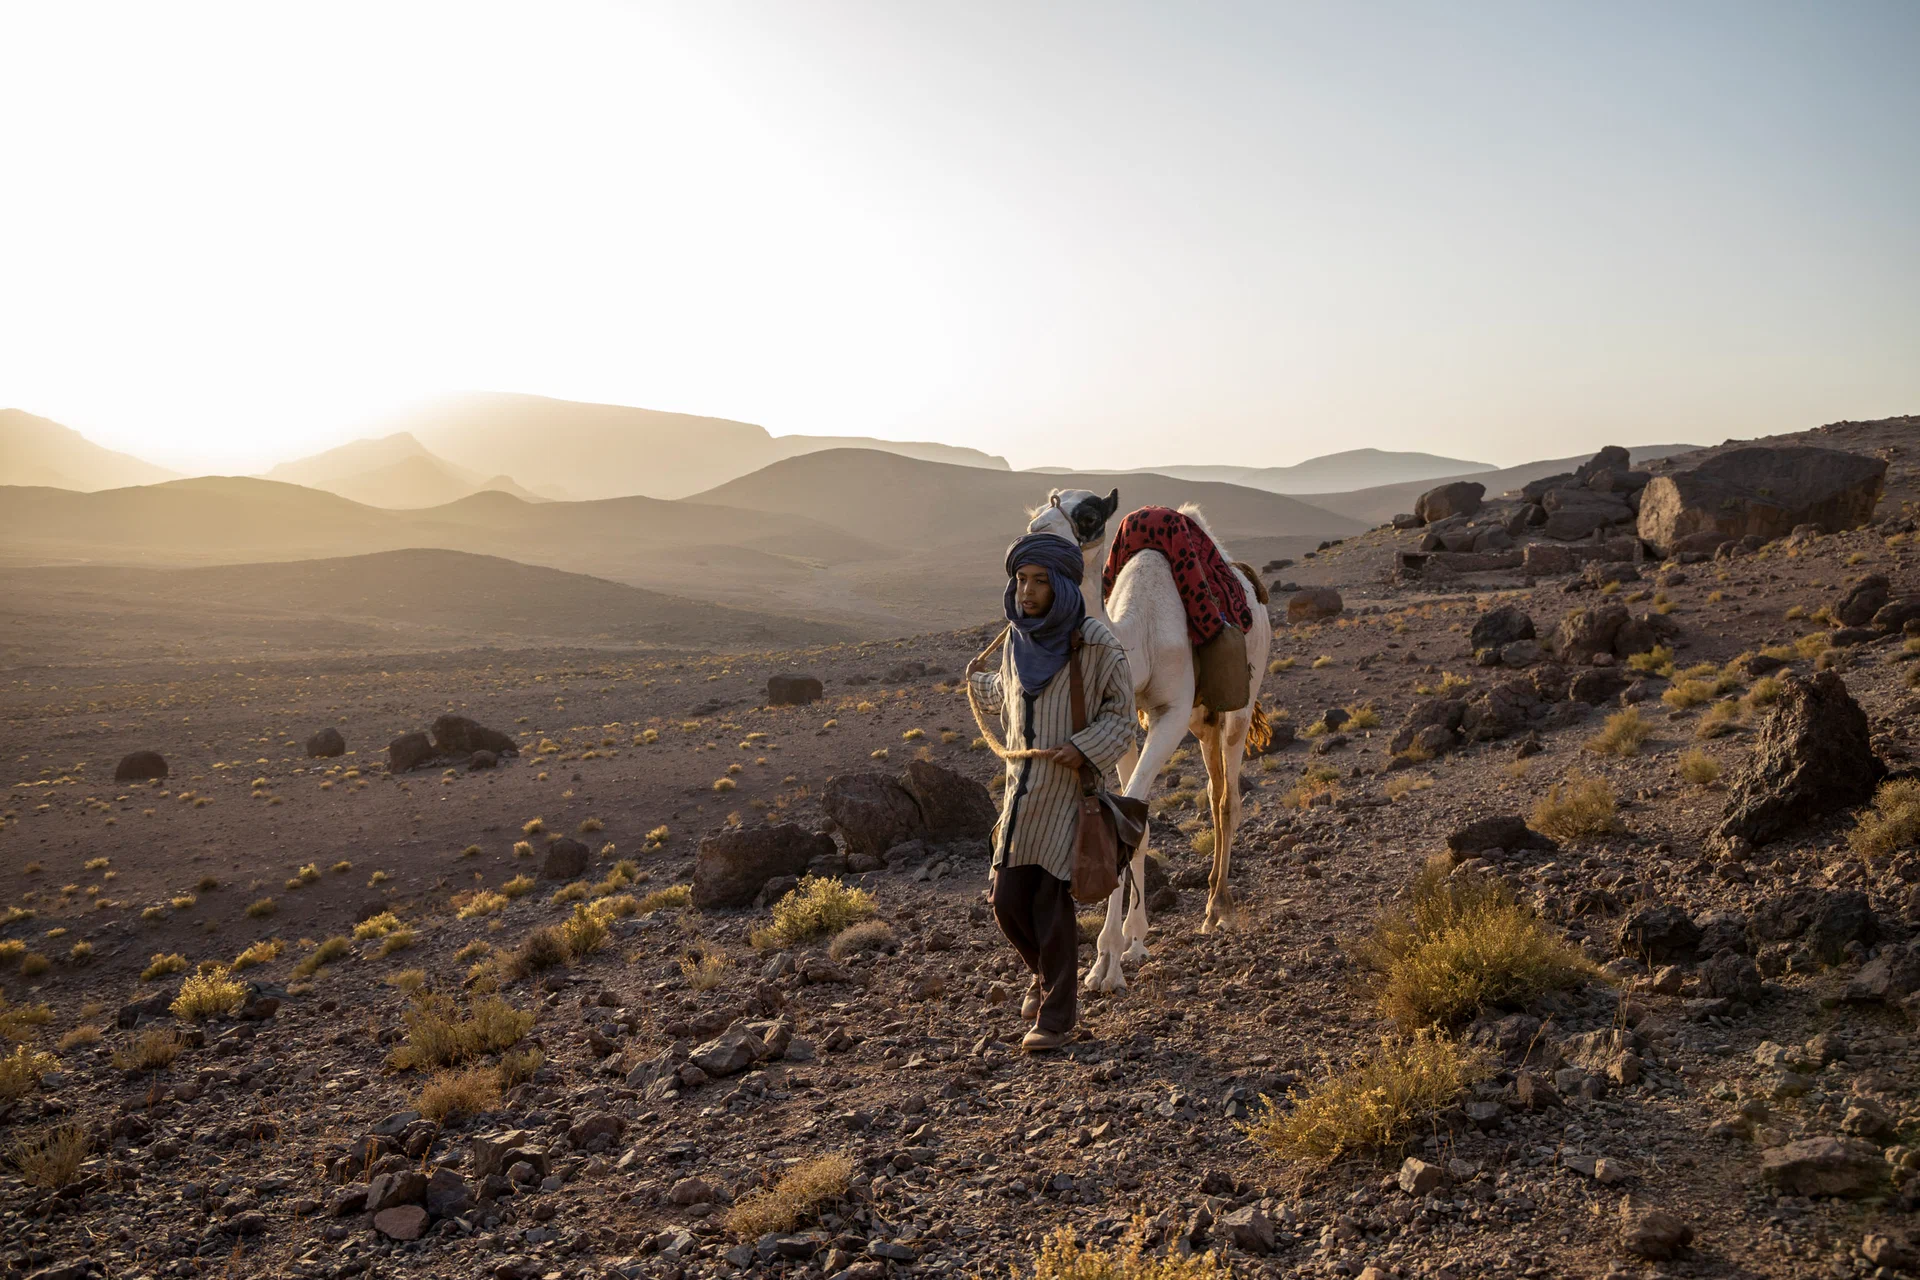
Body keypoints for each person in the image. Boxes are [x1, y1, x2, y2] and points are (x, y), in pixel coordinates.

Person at [966, 533, 1136, 1051]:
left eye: (1040, 581)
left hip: (1068, 796)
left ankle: (1057, 1018)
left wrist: (1084, 747)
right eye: (1022, 580)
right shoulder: (1018, 642)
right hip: (1021, 796)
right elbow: (1011, 695)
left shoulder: (1096, 643)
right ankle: (1047, 980)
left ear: (1062, 585)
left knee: (1049, 903)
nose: (1028, 591)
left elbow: (1122, 717)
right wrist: (980, 685)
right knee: (1005, 902)